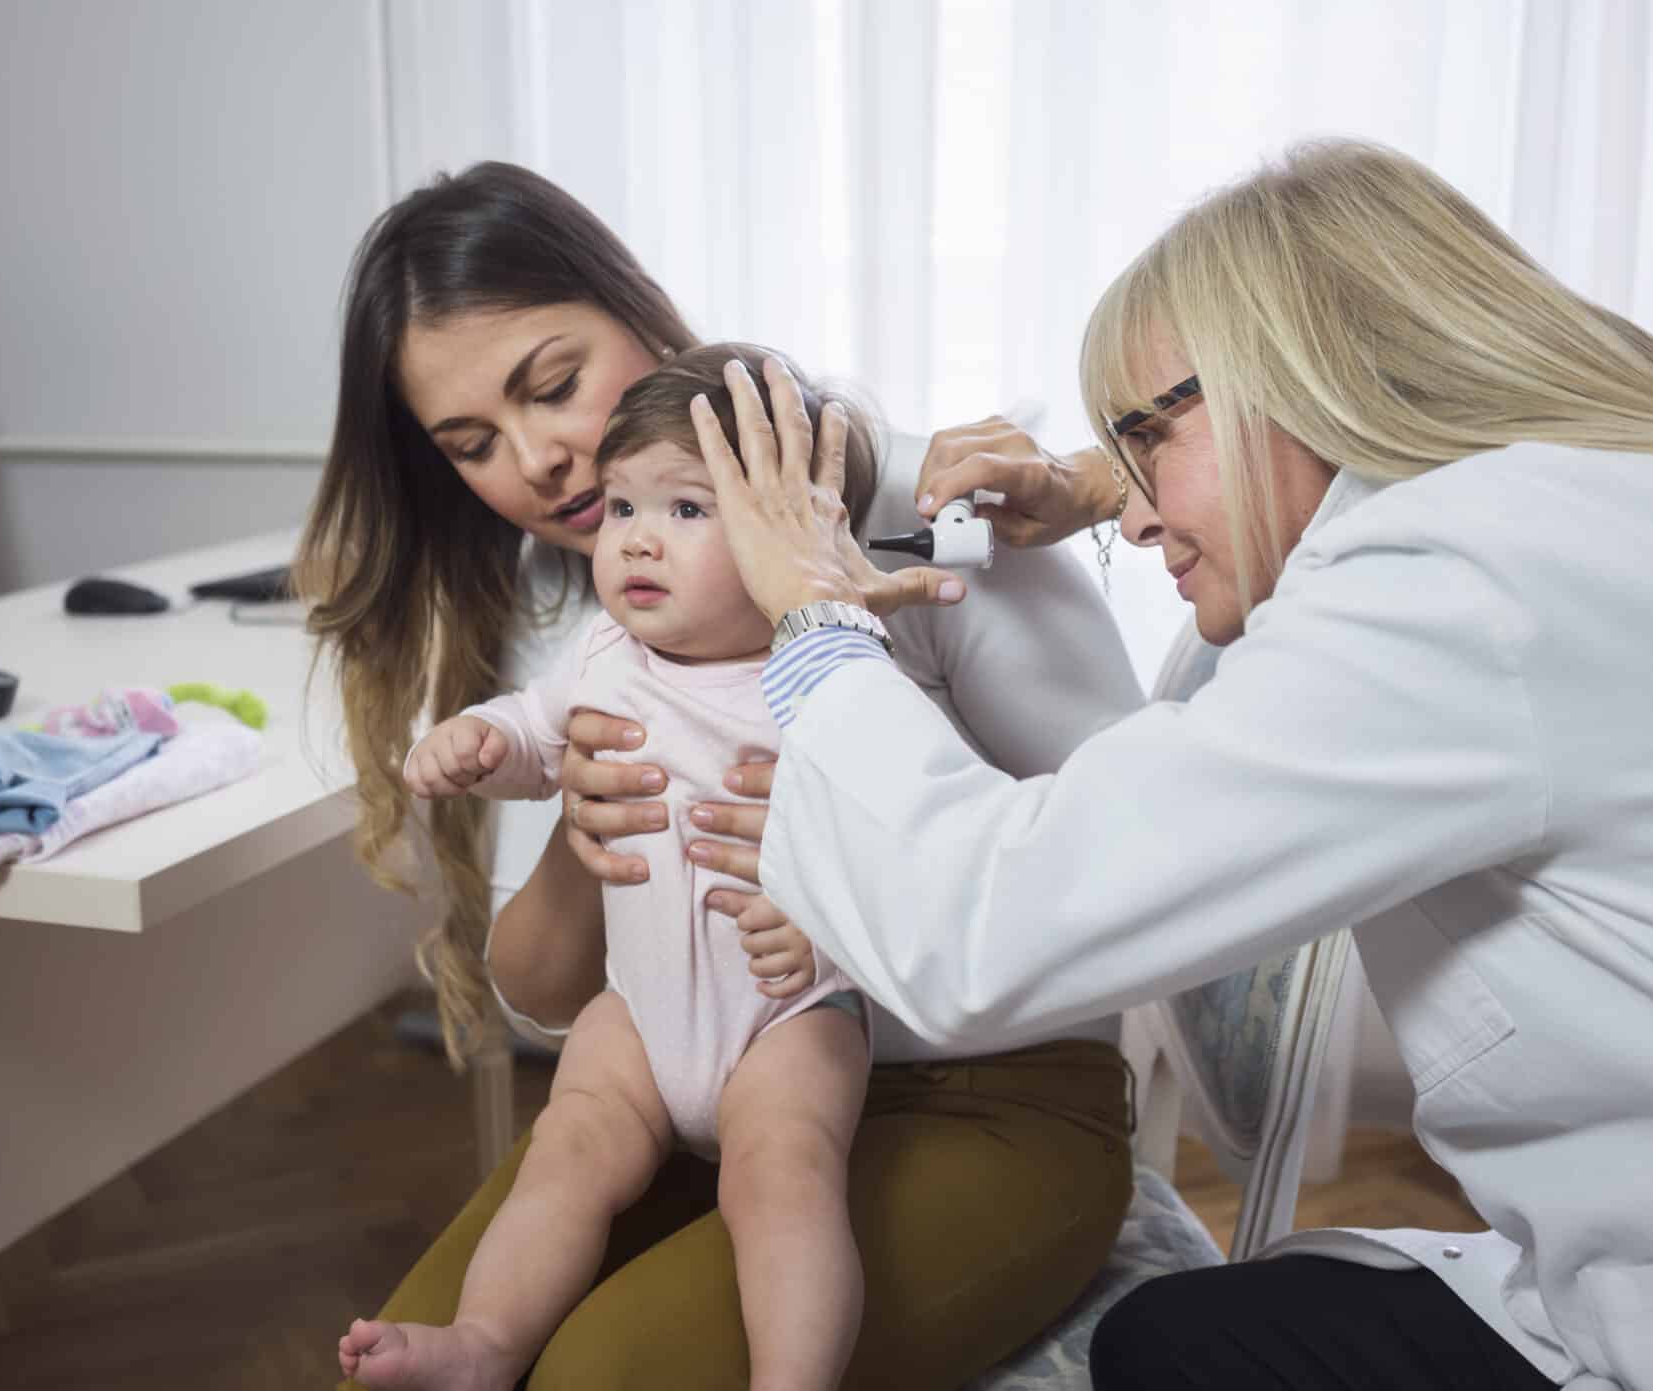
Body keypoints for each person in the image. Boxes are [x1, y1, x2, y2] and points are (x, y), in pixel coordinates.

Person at [690, 140, 1653, 1391]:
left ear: (1298, 373)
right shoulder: (1618, 497)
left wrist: (812, 612)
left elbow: (982, 929)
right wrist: (1114, 475)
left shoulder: (1458, 585)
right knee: (1181, 1340)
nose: (1127, 517)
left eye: (1142, 442)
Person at [296, 162, 1153, 1391]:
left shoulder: (926, 525)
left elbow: (1130, 881)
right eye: (472, 443)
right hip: (675, 1070)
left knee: (600, 1374)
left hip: (985, 1090)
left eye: (552, 385)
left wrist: (851, 899)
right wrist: (586, 835)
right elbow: (542, 990)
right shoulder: (610, 599)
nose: (538, 462)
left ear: (639, 313)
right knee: (429, 1356)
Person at [338, 345, 887, 1391]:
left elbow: (904, 843)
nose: (638, 537)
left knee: (784, 1177)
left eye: (687, 510)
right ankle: (484, 1342)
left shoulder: (828, 667)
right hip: (635, 1009)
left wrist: (826, 914)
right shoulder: (602, 656)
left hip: (787, 1012)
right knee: (566, 1149)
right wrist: (479, 745)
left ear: (807, 542)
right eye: (621, 505)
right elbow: (536, 738)